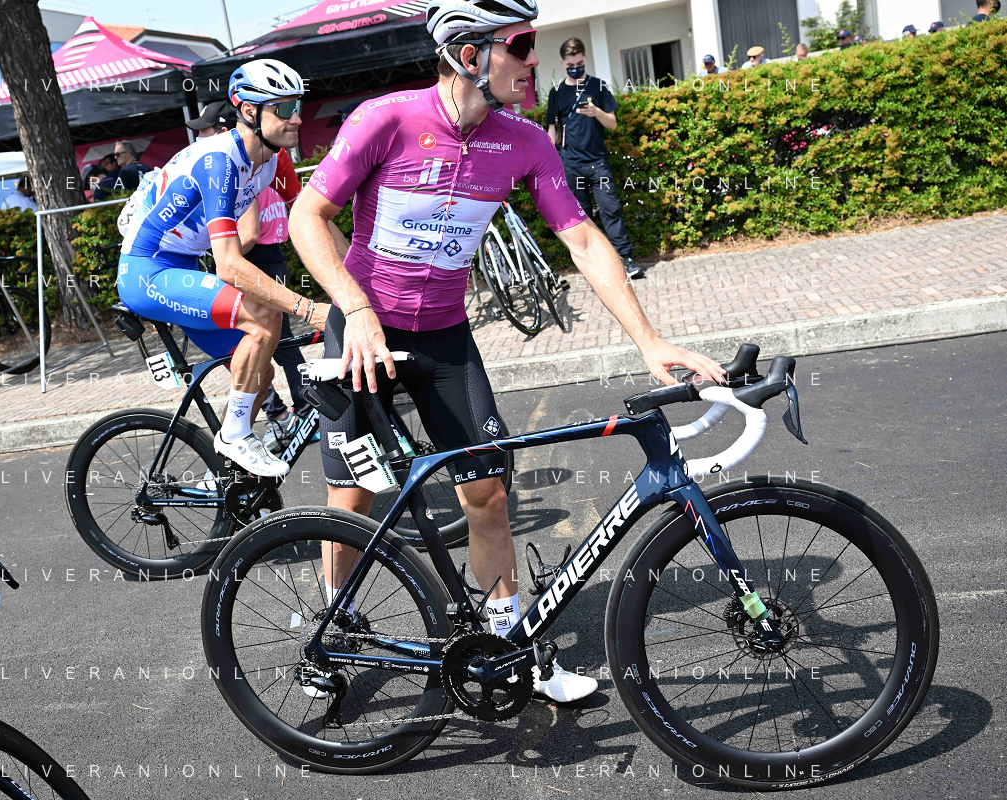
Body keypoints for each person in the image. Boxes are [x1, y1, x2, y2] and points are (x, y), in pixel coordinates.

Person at [289, 0, 727, 704]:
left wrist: (648, 341)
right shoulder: (385, 119)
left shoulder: (524, 141)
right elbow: (306, 216)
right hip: (363, 330)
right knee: (355, 495)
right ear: (470, 56)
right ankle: (329, 624)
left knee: (488, 495)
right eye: (519, 46)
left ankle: (508, 646)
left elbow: (582, 240)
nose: (533, 61)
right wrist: (357, 309)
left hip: (443, 335)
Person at [115, 59, 331, 477]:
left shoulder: (271, 159)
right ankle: (233, 436)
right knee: (264, 317)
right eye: (285, 109)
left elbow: (310, 220)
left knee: (260, 373)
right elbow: (229, 264)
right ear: (249, 111)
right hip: (146, 270)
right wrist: (308, 308)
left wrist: (355, 282)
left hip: (181, 264)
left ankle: (228, 480)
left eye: (299, 106)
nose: (298, 118)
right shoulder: (219, 162)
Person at [188, 99, 315, 455]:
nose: (200, 138)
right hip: (262, 260)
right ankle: (284, 413)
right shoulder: (239, 162)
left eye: (205, 131)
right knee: (269, 344)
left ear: (225, 129)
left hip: (256, 261)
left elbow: (249, 232)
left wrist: (218, 256)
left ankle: (288, 412)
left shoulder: (246, 164)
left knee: (271, 343)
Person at [545, 37, 641, 278]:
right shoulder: (556, 93)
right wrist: (548, 160)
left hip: (597, 163)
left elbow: (613, 124)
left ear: (585, 58)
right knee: (581, 217)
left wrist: (597, 112)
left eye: (579, 64)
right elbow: (552, 131)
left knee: (611, 210)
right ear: (562, 63)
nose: (575, 68)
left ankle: (626, 259)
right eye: (570, 65)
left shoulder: (598, 86)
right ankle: (595, 265)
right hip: (570, 164)